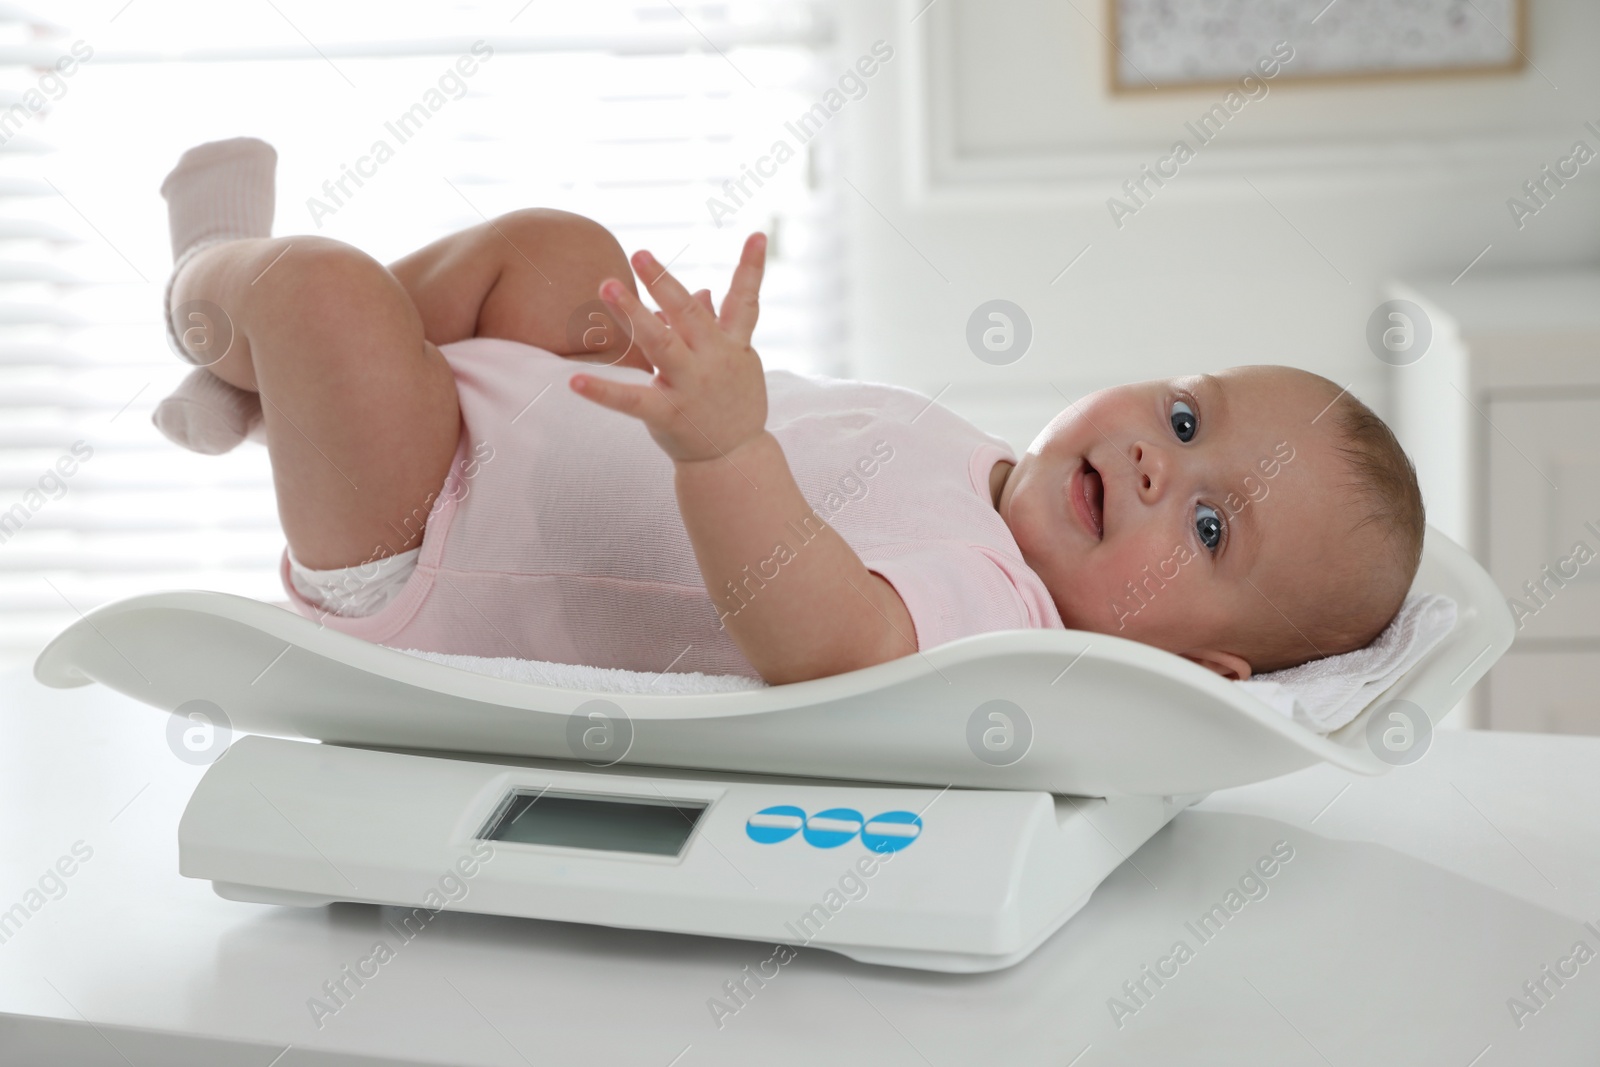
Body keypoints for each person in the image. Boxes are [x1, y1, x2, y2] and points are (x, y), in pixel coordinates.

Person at [155, 138, 1424, 685]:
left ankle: (213, 285)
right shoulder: (987, 468)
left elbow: (826, 639)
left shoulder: (1000, 617)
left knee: (322, 294)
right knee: (558, 254)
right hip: (503, 420)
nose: (1159, 468)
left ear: (1198, 665)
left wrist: (720, 442)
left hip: (427, 545)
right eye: (1189, 421)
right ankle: (267, 383)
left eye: (1208, 531)